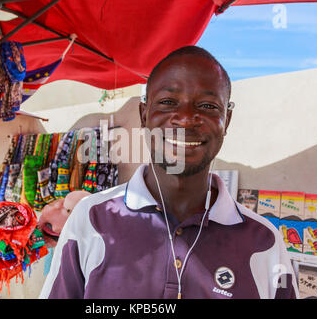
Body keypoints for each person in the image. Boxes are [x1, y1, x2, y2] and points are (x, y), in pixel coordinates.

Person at [39, 46, 299, 299]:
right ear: (144, 114)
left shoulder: (265, 243)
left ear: (226, 120)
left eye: (208, 106)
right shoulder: (91, 219)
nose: (185, 118)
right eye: (167, 102)